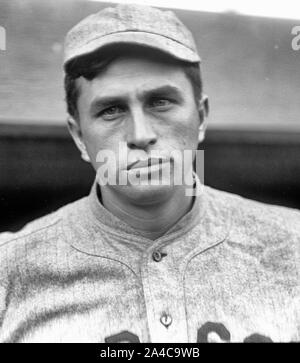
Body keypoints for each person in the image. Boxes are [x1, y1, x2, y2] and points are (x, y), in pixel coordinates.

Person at [0, 3, 299, 343]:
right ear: (79, 136)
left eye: (160, 101)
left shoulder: (293, 245)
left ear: (201, 117)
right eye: (111, 110)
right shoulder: (8, 272)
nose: (140, 135)